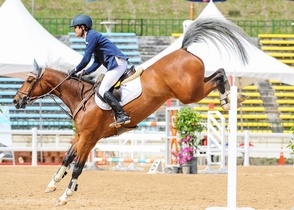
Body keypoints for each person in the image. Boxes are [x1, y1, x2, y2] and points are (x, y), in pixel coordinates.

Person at [68, 14, 131, 127]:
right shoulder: (91, 36)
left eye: (75, 27)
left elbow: (86, 59)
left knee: (103, 89)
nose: (74, 30)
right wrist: (86, 72)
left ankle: (122, 114)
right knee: (102, 87)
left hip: (117, 64)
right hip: (115, 64)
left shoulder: (91, 36)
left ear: (82, 27)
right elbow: (97, 61)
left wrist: (76, 70)